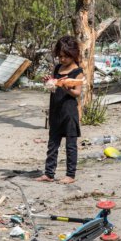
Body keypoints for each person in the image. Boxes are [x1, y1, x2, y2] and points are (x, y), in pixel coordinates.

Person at [36, 36, 84, 184]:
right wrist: (49, 82)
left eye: (65, 57)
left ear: (73, 54)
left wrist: (65, 87)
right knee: (52, 144)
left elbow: (77, 93)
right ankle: (49, 173)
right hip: (56, 110)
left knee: (70, 145)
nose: (62, 59)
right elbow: (53, 86)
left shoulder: (77, 72)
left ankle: (70, 175)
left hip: (69, 113)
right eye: (60, 56)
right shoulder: (57, 68)